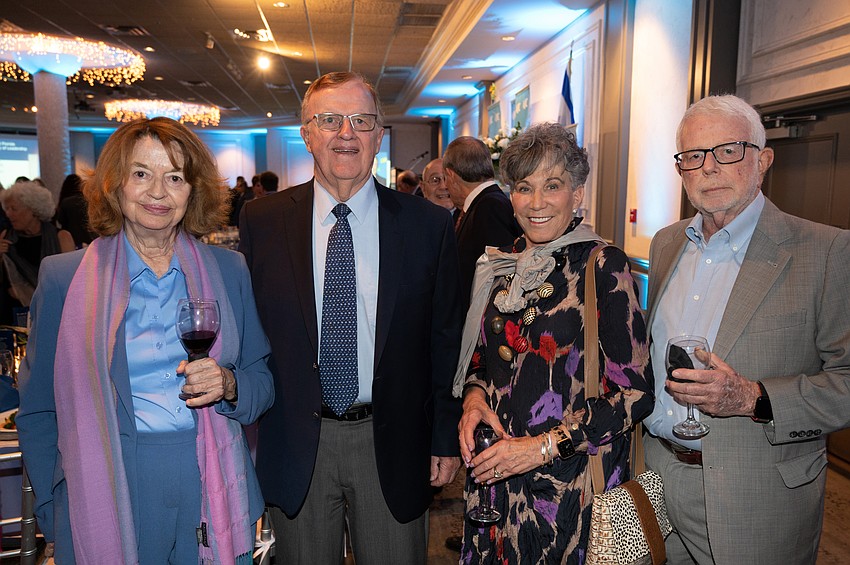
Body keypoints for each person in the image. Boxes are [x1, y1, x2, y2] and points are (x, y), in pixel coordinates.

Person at [16, 117, 274, 564]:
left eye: (175, 177)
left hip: (207, 478)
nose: (158, 192)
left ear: (192, 192)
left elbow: (262, 383)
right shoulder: (64, 279)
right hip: (107, 481)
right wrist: (53, 509)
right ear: (115, 185)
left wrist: (229, 385)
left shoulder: (229, 271)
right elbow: (39, 410)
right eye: (141, 174)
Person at [239, 71, 463, 563]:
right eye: (330, 120)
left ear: (379, 135)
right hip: (296, 442)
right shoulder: (263, 222)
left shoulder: (428, 225)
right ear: (307, 134)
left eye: (361, 121)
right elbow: (248, 337)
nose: (346, 133)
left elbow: (445, 340)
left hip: (394, 441)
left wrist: (445, 437)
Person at [644, 94, 850, 565]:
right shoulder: (666, 243)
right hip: (654, 476)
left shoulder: (826, 252)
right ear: (682, 170)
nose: (710, 168)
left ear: (764, 160)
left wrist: (751, 397)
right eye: (694, 156)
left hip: (755, 496)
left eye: (728, 151)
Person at [455, 122, 653, 564]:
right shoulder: (506, 266)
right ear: (511, 196)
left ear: (577, 194)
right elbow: (485, 358)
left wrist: (538, 448)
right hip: (498, 484)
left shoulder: (603, 265)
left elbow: (637, 394)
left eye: (553, 186)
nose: (537, 202)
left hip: (576, 490)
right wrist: (472, 400)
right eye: (525, 187)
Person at [443, 136, 521, 310]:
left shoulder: (489, 207)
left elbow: (499, 277)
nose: (445, 187)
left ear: (450, 174)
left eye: (444, 179)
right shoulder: (483, 204)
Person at [0, 181, 75, 324]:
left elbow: (72, 282)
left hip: (57, 314)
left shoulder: (61, 237)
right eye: (7, 208)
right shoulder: (6, 238)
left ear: (33, 210)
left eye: (14, 209)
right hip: (16, 317)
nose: (8, 214)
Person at [55, 173, 95, 248]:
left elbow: (60, 221)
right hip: (90, 239)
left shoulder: (65, 202)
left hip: (72, 240)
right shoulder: (89, 201)